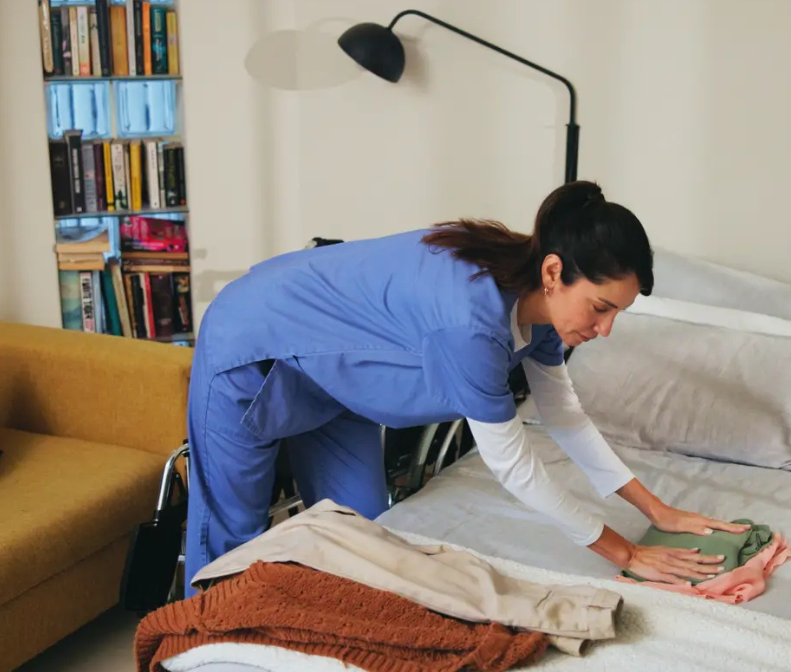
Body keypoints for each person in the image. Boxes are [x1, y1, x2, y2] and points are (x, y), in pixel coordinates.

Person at [182, 180, 748, 597]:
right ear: (554, 273)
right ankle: (199, 647)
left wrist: (658, 510)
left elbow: (565, 417)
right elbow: (515, 467)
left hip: (337, 385)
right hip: (257, 349)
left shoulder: (538, 314)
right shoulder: (470, 323)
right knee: (233, 547)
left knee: (365, 545)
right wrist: (624, 551)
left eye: (616, 315)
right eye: (600, 308)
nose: (604, 330)